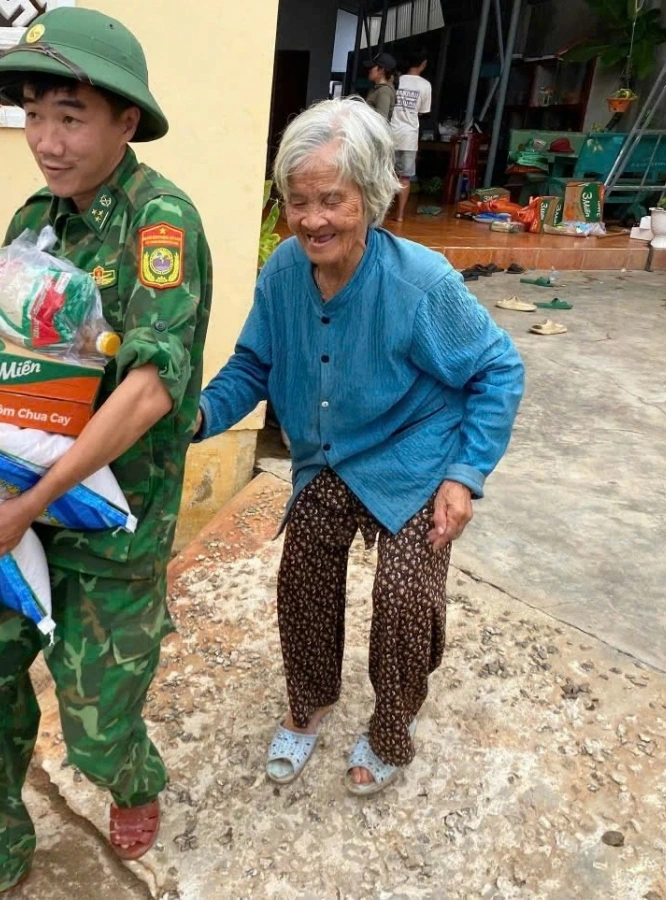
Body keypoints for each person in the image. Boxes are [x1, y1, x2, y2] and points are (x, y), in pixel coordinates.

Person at [0, 8, 212, 900]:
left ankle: (133, 777)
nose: (46, 141)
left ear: (126, 120)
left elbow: (152, 388)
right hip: (15, 507)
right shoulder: (35, 216)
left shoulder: (160, 225)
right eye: (33, 115)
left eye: (70, 116)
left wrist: (32, 498)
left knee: (92, 724)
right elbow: (3, 355)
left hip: (112, 521)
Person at [193, 99, 523, 796]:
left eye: (332, 200)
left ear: (371, 198)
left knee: (403, 597)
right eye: (297, 201)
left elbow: (499, 368)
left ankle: (392, 729)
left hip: (415, 454)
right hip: (331, 455)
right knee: (303, 572)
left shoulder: (422, 282)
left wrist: (464, 475)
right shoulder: (284, 270)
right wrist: (194, 418)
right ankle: (308, 701)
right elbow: (253, 365)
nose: (312, 219)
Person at [391, 51, 433, 222]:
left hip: (390, 133)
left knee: (387, 175)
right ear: (423, 64)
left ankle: (381, 212)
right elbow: (423, 112)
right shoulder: (425, 85)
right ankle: (400, 215)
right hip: (409, 136)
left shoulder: (396, 80)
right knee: (405, 177)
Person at [363, 53, 398, 123]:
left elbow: (381, 121)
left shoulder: (384, 91)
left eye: (372, 67)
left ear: (381, 70)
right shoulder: (378, 88)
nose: (369, 70)